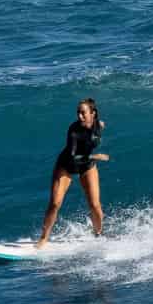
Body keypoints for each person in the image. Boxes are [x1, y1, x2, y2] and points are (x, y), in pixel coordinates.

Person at [36, 98, 111, 248]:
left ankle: (98, 234)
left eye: (83, 113)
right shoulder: (74, 130)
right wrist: (95, 157)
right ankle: (44, 238)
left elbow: (99, 128)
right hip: (67, 165)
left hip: (87, 165)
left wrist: (100, 129)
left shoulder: (98, 124)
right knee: (55, 203)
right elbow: (72, 157)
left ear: (93, 113)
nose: (80, 116)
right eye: (78, 113)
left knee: (95, 205)